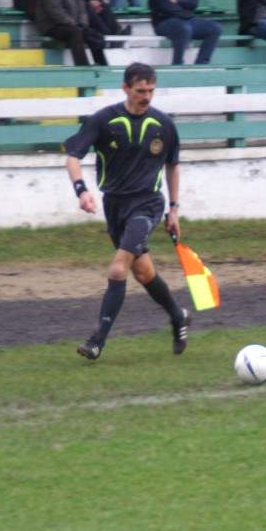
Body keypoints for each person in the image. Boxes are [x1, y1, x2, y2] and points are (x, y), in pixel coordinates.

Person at [64, 63, 192, 361]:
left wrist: (173, 210)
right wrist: (81, 190)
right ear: (125, 88)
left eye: (150, 91)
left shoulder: (164, 124)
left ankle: (97, 341)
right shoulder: (104, 120)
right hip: (115, 206)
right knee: (144, 272)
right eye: (140, 91)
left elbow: (173, 165)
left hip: (147, 205)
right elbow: (72, 157)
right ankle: (178, 316)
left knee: (118, 267)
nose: (146, 96)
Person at [149, 0, 222, 66]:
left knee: (215, 28)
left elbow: (194, 2)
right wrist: (184, 9)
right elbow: (164, 7)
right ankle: (178, 64)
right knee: (184, 28)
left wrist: (178, 1)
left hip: (186, 18)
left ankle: (202, 64)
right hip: (163, 22)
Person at [37, 0, 107, 66]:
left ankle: (102, 65)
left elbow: (82, 8)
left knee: (93, 34)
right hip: (52, 25)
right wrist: (73, 24)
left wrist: (82, 23)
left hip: (72, 24)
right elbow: (55, 10)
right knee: (75, 32)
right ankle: (82, 66)